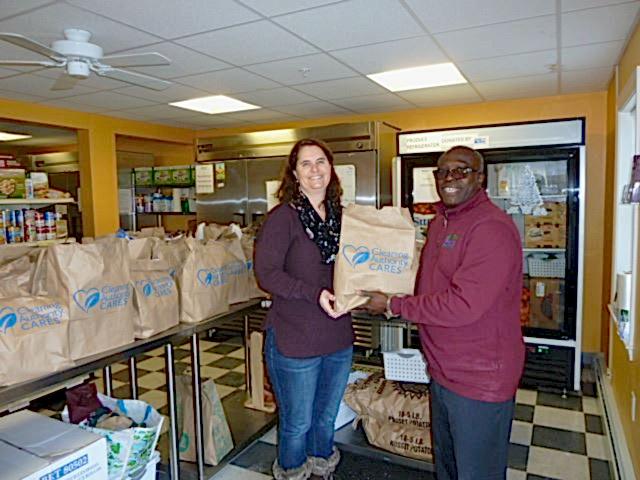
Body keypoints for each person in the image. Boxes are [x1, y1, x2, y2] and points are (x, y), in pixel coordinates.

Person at [361, 145, 524, 480]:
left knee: (477, 472)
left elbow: (464, 305)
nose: (449, 179)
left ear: (480, 179)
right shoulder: (440, 223)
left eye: (461, 171)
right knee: (447, 469)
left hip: (479, 378)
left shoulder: (491, 228)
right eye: (442, 171)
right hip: (443, 371)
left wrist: (393, 305)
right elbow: (430, 288)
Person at [254, 138, 353, 480]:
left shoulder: (343, 217)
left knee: (325, 417)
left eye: (321, 162)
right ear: (294, 173)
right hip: (295, 337)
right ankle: (294, 472)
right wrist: (314, 293)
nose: (315, 170)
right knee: (298, 422)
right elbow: (266, 275)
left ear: (331, 168)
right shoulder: (283, 218)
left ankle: (323, 466)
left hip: (338, 335)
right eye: (306, 164)